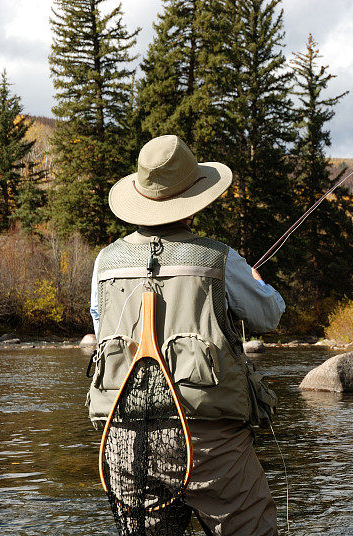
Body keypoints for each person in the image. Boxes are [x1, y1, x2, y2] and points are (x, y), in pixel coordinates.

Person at [87, 134, 284, 536]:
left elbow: (99, 325)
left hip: (124, 440)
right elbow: (269, 315)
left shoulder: (104, 263)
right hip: (211, 444)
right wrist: (256, 281)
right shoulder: (219, 258)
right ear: (195, 200)